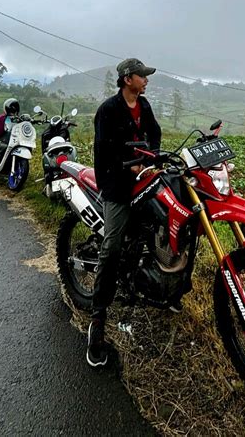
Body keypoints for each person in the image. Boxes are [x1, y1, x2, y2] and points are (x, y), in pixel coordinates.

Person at [87, 58, 163, 367]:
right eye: (142, 76)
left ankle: (163, 288)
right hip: (116, 185)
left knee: (158, 225)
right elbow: (104, 151)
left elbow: (154, 135)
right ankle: (98, 318)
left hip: (142, 178)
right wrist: (128, 165)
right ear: (127, 78)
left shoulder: (144, 106)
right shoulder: (108, 109)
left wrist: (152, 158)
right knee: (112, 246)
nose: (146, 80)